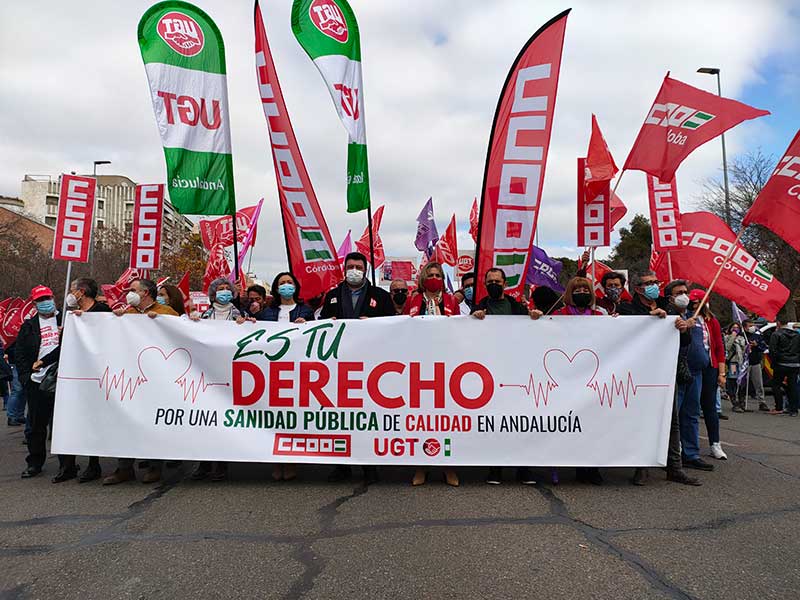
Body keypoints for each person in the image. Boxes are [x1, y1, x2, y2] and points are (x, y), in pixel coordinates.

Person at [320, 252, 394, 484]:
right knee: (339, 416)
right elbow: (322, 324)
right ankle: (341, 465)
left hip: (370, 365)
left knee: (367, 416)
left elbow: (393, 325)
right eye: (350, 266)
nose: (354, 270)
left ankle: (369, 465)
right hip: (338, 365)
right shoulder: (332, 296)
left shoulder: (380, 296)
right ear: (344, 269)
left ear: (365, 269)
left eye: (358, 266)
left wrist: (374, 326)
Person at [103, 279, 179, 485]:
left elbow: (180, 337)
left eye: (133, 290)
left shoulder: (167, 312)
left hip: (157, 378)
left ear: (146, 292)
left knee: (152, 422)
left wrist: (160, 323)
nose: (129, 293)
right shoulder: (127, 313)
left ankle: (155, 467)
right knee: (125, 420)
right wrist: (114, 320)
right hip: (130, 377)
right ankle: (124, 467)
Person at [627, 278, 701, 486]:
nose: (654, 285)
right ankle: (642, 468)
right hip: (638, 374)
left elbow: (684, 342)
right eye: (649, 282)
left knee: (671, 421)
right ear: (638, 287)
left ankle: (674, 468)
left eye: (656, 281)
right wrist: (648, 319)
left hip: (665, 372)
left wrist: (682, 327)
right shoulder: (628, 307)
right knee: (643, 420)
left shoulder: (667, 307)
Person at [472, 268, 541, 485]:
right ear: (485, 283)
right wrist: (473, 318)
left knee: (521, 420)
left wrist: (534, 317)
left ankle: (524, 468)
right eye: (490, 281)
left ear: (505, 283)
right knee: (495, 422)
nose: (494, 284)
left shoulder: (516, 306)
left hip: (516, 370)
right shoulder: (479, 306)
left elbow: (532, 327)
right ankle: (495, 469)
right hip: (489, 372)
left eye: (497, 281)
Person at [404, 262, 460, 487]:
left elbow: (461, 329)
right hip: (419, 364)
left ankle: (449, 467)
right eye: (431, 275)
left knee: (447, 418)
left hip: (446, 364)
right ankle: (421, 467)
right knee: (422, 418)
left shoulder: (451, 301)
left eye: (438, 275)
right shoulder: (413, 300)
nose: (434, 278)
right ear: (423, 278)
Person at [551, 277, 604, 484]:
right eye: (577, 289)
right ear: (569, 293)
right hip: (563, 377)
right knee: (562, 423)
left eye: (585, 289)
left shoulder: (600, 316)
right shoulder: (558, 315)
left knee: (591, 425)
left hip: (591, 378)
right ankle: (556, 466)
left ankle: (590, 468)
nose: (581, 292)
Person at [58, 278, 112, 482]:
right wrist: (43, 361)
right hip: (74, 376)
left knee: (93, 419)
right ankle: (67, 465)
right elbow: (65, 347)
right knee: (71, 418)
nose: (70, 294)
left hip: (96, 376)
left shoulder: (102, 312)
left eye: (72, 290)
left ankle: (93, 464)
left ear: (81, 292)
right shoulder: (72, 317)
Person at [17, 286, 63, 480]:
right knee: (36, 426)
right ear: (34, 303)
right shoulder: (28, 325)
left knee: (62, 424)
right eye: (40, 299)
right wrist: (26, 377)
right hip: (37, 382)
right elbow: (19, 354)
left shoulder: (68, 320)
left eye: (47, 298)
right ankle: (35, 462)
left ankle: (66, 464)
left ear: (53, 298)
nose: (45, 302)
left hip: (62, 379)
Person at [673, 290, 717, 472]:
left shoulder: (696, 318)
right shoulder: (668, 315)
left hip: (696, 372)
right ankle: (671, 456)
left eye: (686, 292)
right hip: (675, 372)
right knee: (673, 416)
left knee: (691, 414)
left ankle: (691, 454)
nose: (685, 296)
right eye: (679, 293)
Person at [691, 290, 728, 460]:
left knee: (710, 407)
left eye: (699, 302)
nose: (695, 305)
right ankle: (687, 444)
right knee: (689, 407)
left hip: (710, 367)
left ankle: (715, 443)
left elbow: (719, 348)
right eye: (693, 302)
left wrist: (721, 373)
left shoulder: (711, 321)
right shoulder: (685, 318)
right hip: (691, 367)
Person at [769, 315, 800, 416]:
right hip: (794, 363)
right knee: (793, 386)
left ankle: (779, 407)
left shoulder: (776, 334)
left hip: (781, 363)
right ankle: (793, 409)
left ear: (778, 323)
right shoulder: (796, 334)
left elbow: (772, 350)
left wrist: (773, 363)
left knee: (776, 385)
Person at [743, 319, 768, 412]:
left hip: (755, 362)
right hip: (744, 363)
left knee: (759, 383)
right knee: (742, 383)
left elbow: (763, 347)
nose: (752, 327)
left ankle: (762, 402)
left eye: (752, 325)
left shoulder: (757, 335)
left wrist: (756, 345)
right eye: (750, 326)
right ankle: (741, 402)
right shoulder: (742, 335)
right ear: (745, 327)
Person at [723, 321, 747, 413]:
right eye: (733, 327)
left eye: (737, 327)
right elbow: (727, 348)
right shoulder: (727, 337)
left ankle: (742, 402)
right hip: (733, 363)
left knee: (741, 383)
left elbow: (743, 350)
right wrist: (733, 336)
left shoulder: (742, 338)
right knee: (732, 381)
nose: (735, 329)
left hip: (741, 363)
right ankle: (734, 402)